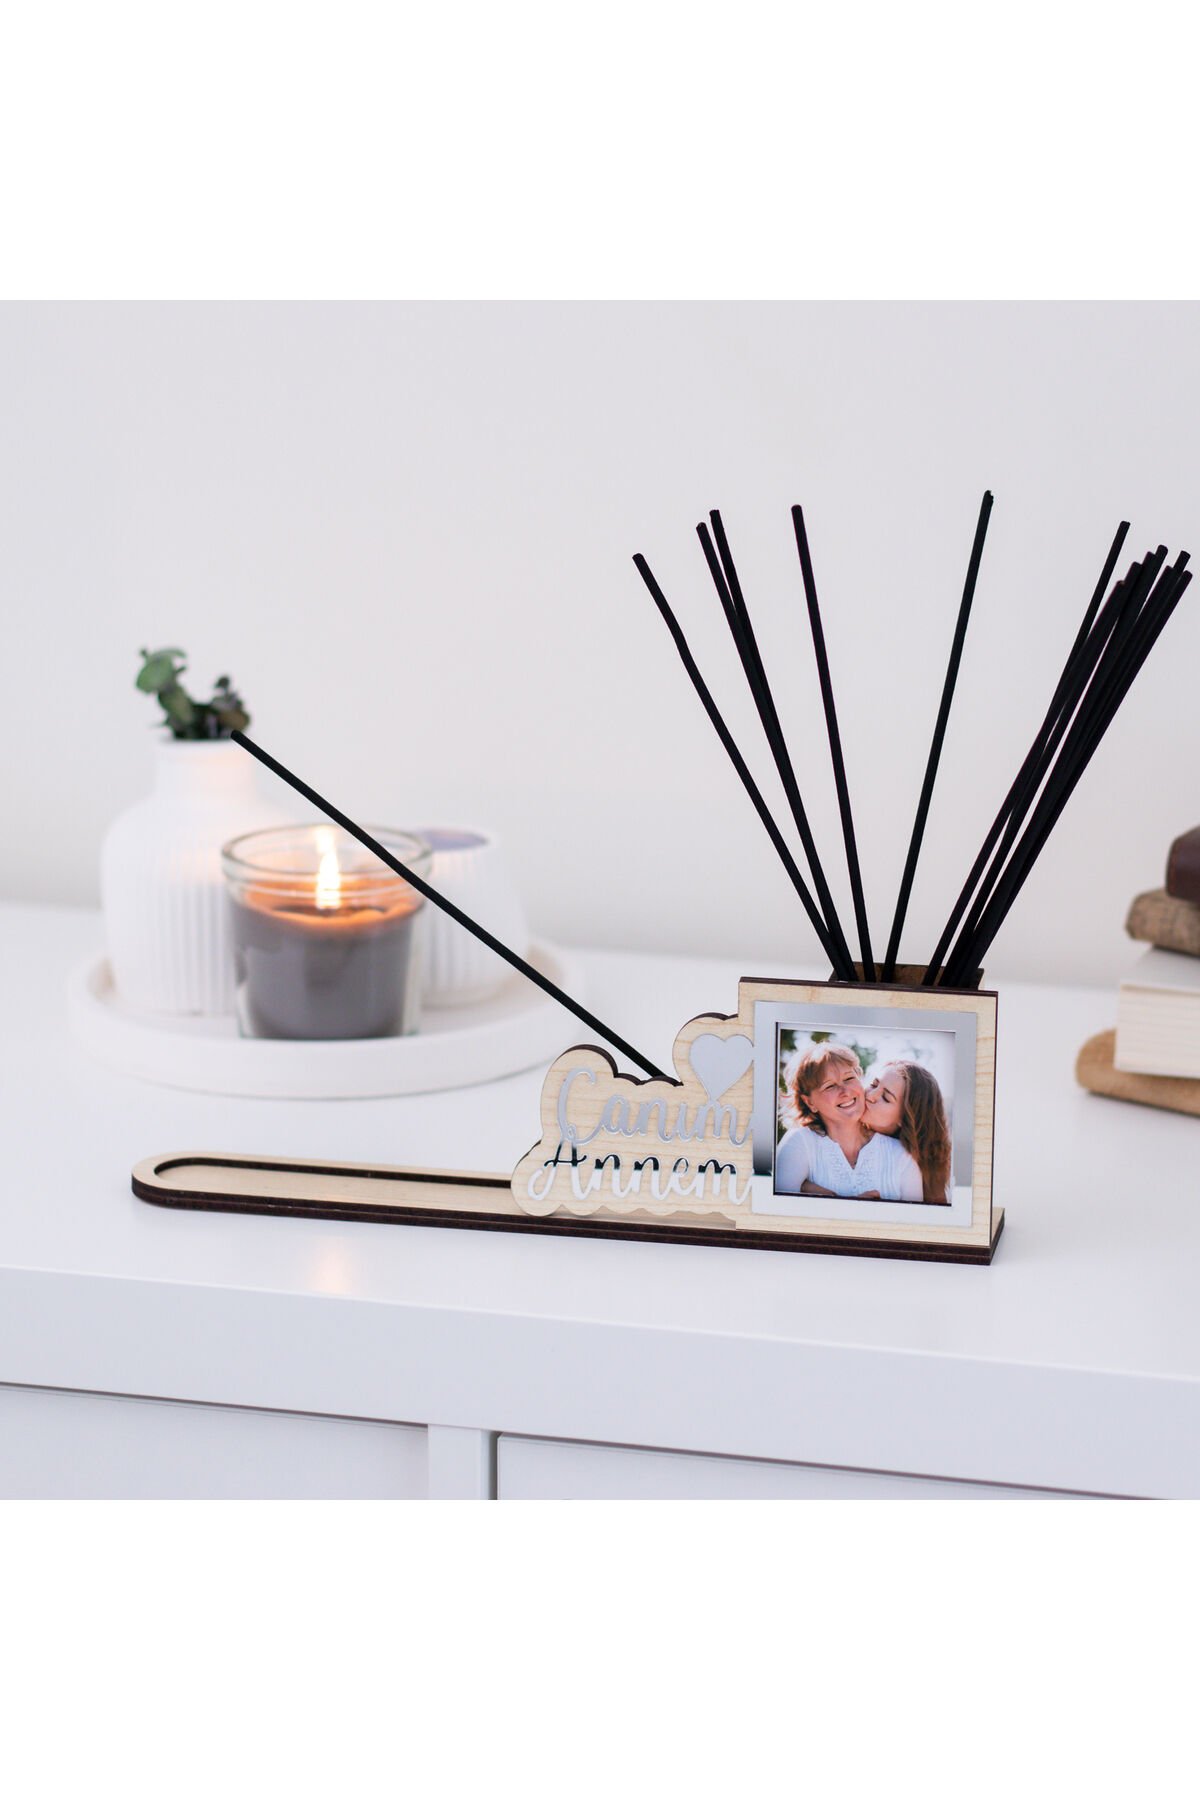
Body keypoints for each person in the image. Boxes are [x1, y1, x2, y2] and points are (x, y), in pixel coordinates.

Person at [775, 1042, 923, 1201]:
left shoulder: (901, 1155)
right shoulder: (800, 1142)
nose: (845, 1091)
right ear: (810, 1102)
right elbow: (777, 1209)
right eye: (829, 1086)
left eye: (849, 1078)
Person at [863, 1061, 952, 1203]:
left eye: (885, 1098)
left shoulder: (909, 1168)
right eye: (874, 1084)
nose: (870, 1095)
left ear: (905, 1119)